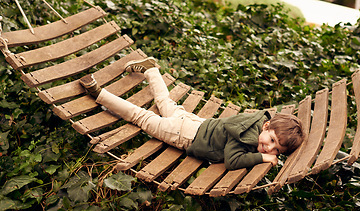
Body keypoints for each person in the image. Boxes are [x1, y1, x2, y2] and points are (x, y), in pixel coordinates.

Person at [80, 57, 305, 170]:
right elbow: (232, 161)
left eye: (277, 150)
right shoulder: (246, 139)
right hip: (186, 135)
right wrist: (262, 157)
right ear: (266, 128)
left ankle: (151, 69)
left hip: (195, 123)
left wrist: (265, 150)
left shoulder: (257, 120)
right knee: (141, 117)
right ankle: (99, 93)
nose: (270, 149)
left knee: (165, 102)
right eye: (272, 141)